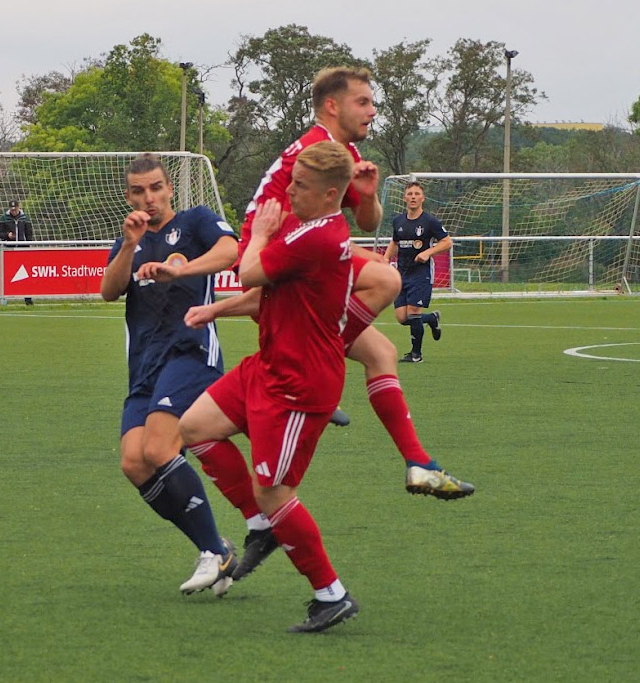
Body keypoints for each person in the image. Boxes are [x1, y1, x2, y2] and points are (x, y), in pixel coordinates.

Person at [188, 66, 473, 586]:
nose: (373, 110)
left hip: (299, 257)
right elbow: (288, 235)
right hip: (276, 253)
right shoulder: (315, 154)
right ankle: (300, 548)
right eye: (364, 101)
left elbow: (366, 222)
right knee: (386, 280)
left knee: (382, 353)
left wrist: (367, 193)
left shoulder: (343, 154)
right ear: (332, 106)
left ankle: (418, 463)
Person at [181, 142, 359, 633]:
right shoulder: (306, 227)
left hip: (300, 384)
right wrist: (215, 310)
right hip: (268, 365)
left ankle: (331, 594)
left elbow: (249, 271)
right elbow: (267, 293)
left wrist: (258, 234)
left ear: (329, 195)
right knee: (195, 428)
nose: (290, 191)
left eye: (300, 185)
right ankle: (262, 526)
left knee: (275, 493)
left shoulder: (320, 237)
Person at [100, 153, 240, 597]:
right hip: (144, 364)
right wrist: (128, 245)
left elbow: (230, 251)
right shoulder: (131, 240)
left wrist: (181, 269)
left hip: (190, 351)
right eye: (139, 191)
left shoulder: (196, 221)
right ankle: (216, 547)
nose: (149, 198)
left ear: (169, 189)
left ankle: (213, 552)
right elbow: (109, 291)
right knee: (134, 462)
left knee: (159, 448)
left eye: (156, 188)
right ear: (129, 196)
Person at [383, 181, 452, 363]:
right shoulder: (398, 221)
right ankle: (431, 319)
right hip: (402, 273)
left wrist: (428, 252)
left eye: (416, 194)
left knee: (413, 312)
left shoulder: (430, 222)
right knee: (402, 317)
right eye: (410, 194)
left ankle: (416, 354)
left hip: (421, 273)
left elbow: (447, 242)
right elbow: (395, 242)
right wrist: (385, 259)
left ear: (423, 198)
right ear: (404, 198)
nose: (413, 197)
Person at [0, 200, 35, 305]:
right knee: (7, 274)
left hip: (23, 250)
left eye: (15, 209)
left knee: (26, 274)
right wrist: (7, 235)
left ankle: (28, 299)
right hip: (9, 250)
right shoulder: (4, 219)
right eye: (12, 209)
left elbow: (29, 233)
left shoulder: (25, 218)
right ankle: (4, 298)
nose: (14, 211)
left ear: (19, 207)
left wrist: (28, 246)